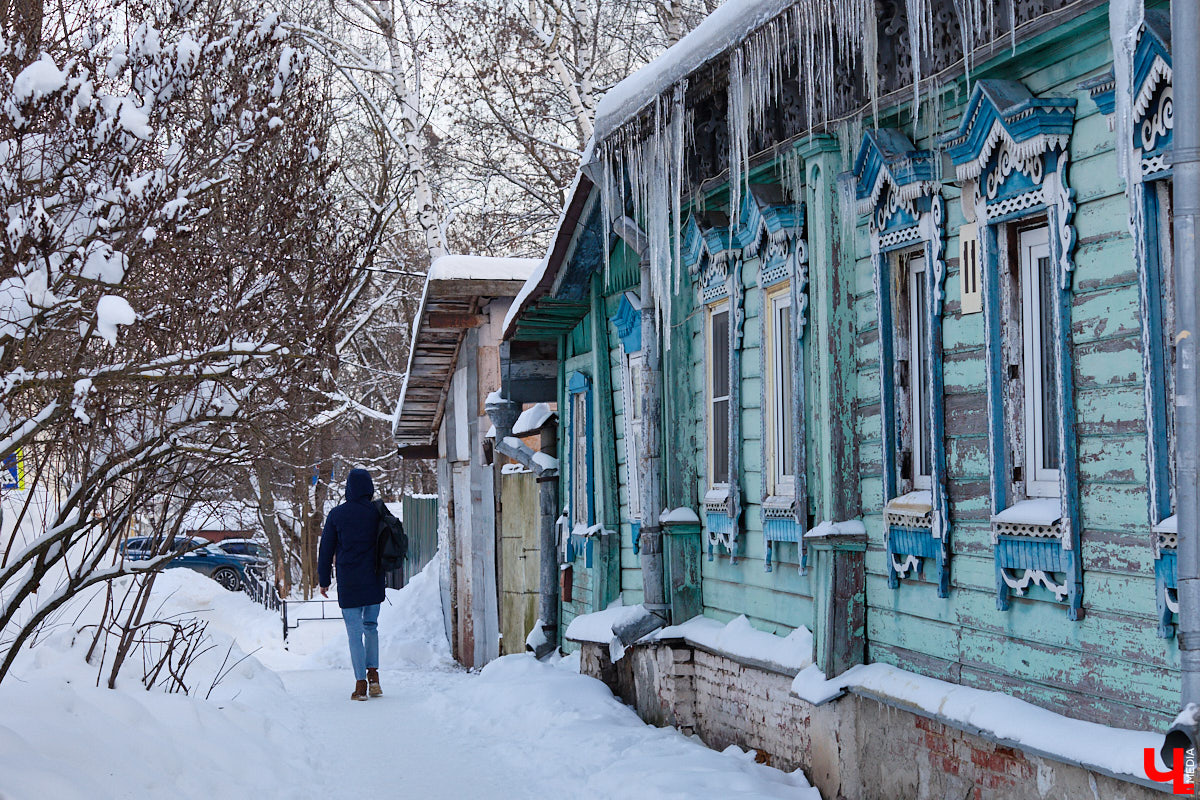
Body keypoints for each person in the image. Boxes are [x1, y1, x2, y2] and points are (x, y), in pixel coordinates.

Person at [318, 467, 385, 701]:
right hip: (374, 578)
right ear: (369, 488)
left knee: (354, 633)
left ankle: (360, 685)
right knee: (371, 627)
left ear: (349, 489)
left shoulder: (337, 515)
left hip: (349, 581)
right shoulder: (378, 512)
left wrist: (324, 580)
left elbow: (326, 549)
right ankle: (374, 676)